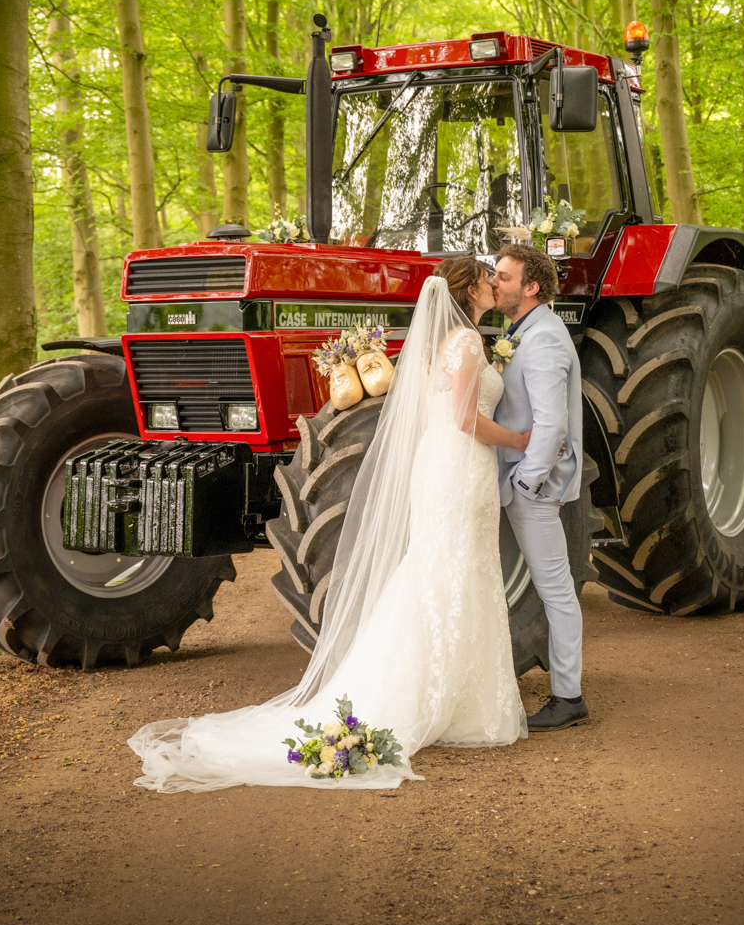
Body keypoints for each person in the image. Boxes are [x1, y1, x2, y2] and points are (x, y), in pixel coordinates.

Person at [129, 257, 533, 791]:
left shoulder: (452, 341)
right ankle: (436, 699)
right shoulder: (464, 344)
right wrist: (519, 441)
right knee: (450, 571)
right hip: (460, 462)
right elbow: (461, 418)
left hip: (453, 465)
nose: (493, 284)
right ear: (469, 288)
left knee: (450, 571)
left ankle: (454, 695)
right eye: (487, 278)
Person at [490, 242, 589, 732]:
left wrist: (527, 483)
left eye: (503, 277)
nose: (494, 282)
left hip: (531, 488)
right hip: (514, 479)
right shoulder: (524, 331)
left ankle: (568, 697)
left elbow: (551, 425)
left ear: (531, 287)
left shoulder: (545, 338)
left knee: (556, 591)